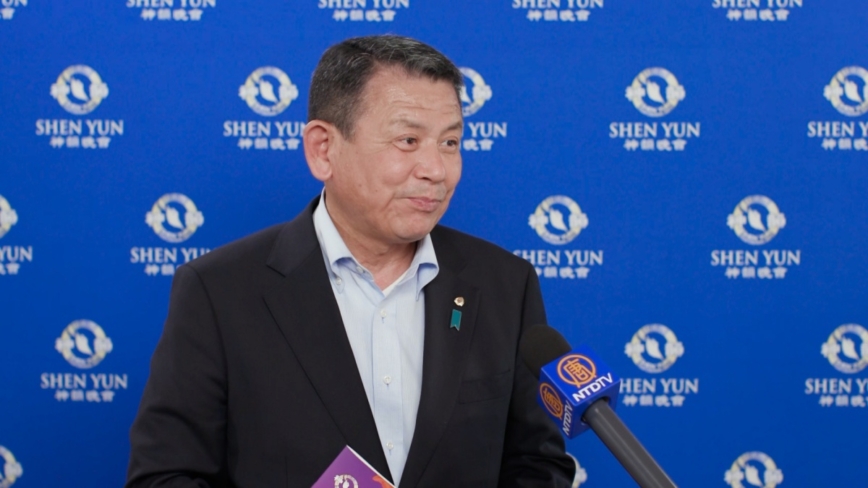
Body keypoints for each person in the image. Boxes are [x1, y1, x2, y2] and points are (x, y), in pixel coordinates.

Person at [126, 35, 574, 487]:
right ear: (324, 149)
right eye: (408, 140)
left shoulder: (505, 284)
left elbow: (537, 465)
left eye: (450, 142)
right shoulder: (219, 291)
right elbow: (165, 477)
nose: (436, 170)